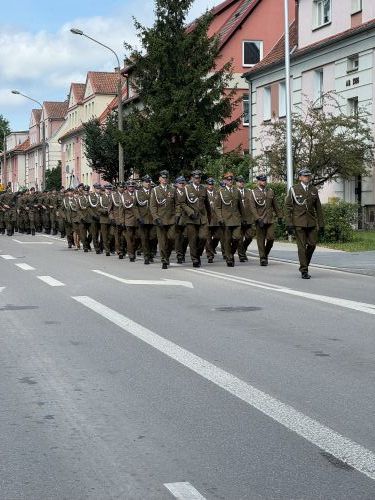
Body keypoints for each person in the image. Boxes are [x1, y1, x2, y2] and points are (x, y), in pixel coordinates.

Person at [285, 168, 324, 279]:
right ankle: (304, 270)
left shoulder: (313, 190)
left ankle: (304, 264)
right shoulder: (294, 189)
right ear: (300, 177)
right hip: (298, 222)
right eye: (305, 176)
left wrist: (321, 224)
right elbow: (288, 207)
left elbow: (318, 208)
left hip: (311, 222)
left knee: (312, 244)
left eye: (308, 175)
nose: (307, 177)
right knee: (301, 247)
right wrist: (289, 223)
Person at [179, 170, 211, 268]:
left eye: (199, 178)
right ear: (192, 178)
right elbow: (182, 203)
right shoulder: (186, 189)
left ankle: (198, 254)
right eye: (196, 178)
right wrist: (190, 212)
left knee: (203, 237)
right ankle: (195, 259)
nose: (198, 179)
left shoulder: (203, 188)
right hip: (191, 218)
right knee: (192, 240)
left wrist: (209, 216)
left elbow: (207, 204)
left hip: (202, 218)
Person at [250, 174, 282, 266]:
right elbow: (252, 208)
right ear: (258, 182)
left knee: (271, 238)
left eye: (265, 180)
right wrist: (257, 218)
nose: (264, 182)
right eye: (262, 180)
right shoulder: (253, 192)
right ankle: (262, 258)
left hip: (270, 219)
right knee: (260, 240)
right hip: (260, 219)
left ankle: (265, 254)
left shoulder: (270, 191)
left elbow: (275, 205)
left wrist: (280, 216)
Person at [215, 172, 245, 267]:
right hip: (226, 220)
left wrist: (244, 218)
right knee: (227, 240)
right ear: (224, 181)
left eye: (231, 179)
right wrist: (220, 218)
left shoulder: (237, 191)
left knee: (237, 238)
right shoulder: (221, 192)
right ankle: (229, 258)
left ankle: (231, 253)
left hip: (236, 219)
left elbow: (241, 206)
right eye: (228, 179)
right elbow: (217, 207)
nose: (230, 181)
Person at [150, 170, 176, 269]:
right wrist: (156, 217)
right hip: (160, 219)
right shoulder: (155, 190)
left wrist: (177, 215)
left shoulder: (172, 189)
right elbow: (152, 206)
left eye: (166, 178)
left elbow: (177, 204)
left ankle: (167, 255)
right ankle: (164, 260)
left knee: (171, 238)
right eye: (163, 178)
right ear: (159, 179)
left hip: (171, 219)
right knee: (162, 241)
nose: (164, 179)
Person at [134, 175, 156, 265]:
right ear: (143, 183)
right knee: (144, 238)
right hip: (142, 219)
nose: (148, 183)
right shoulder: (138, 192)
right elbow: (135, 206)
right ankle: (146, 256)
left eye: (149, 182)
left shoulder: (154, 191)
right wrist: (138, 217)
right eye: (146, 182)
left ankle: (151, 253)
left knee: (153, 238)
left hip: (152, 219)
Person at [235, 175, 255, 262]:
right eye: (240, 181)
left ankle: (243, 249)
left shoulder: (249, 192)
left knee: (249, 236)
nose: (242, 183)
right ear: (236, 183)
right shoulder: (234, 192)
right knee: (239, 238)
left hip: (248, 218)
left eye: (243, 181)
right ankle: (241, 255)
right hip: (238, 219)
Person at [205, 178, 221, 263]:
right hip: (207, 219)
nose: (210, 186)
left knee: (218, 236)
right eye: (209, 184)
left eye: (212, 184)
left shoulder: (217, 193)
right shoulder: (203, 193)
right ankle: (210, 255)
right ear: (207, 185)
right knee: (208, 239)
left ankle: (212, 248)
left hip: (216, 219)